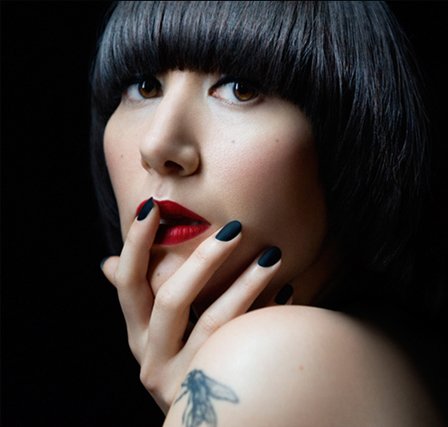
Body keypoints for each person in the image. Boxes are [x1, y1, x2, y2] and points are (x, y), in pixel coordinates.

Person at [90, 1, 446, 425]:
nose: (157, 146)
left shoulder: (265, 357)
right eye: (145, 87)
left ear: (352, 134)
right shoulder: (407, 355)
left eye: (240, 89)